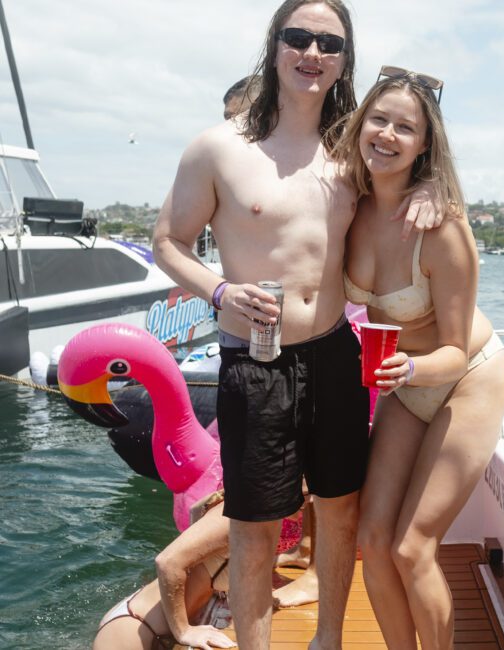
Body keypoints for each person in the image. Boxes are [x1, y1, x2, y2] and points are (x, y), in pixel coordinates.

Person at [152, 2, 440, 648]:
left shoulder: (353, 151)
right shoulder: (218, 149)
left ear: (344, 60)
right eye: (299, 37)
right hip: (255, 362)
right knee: (253, 529)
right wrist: (220, 289)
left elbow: (415, 159)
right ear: (276, 45)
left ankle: (328, 641)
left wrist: (429, 190)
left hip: (335, 355)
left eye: (329, 44)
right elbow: (167, 242)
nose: (313, 53)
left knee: (339, 512)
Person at [332, 66, 504, 650]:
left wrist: (407, 369)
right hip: (404, 382)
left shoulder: (441, 227)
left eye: (403, 127)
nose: (386, 134)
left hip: (464, 377)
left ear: (424, 143)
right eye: (377, 120)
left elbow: (456, 350)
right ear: (360, 126)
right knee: (374, 540)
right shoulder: (348, 207)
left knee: (413, 547)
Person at [93, 492, 235, 650]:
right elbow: (167, 562)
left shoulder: (244, 507)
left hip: (152, 625)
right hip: (134, 632)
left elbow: (196, 512)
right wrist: (184, 631)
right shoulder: (235, 513)